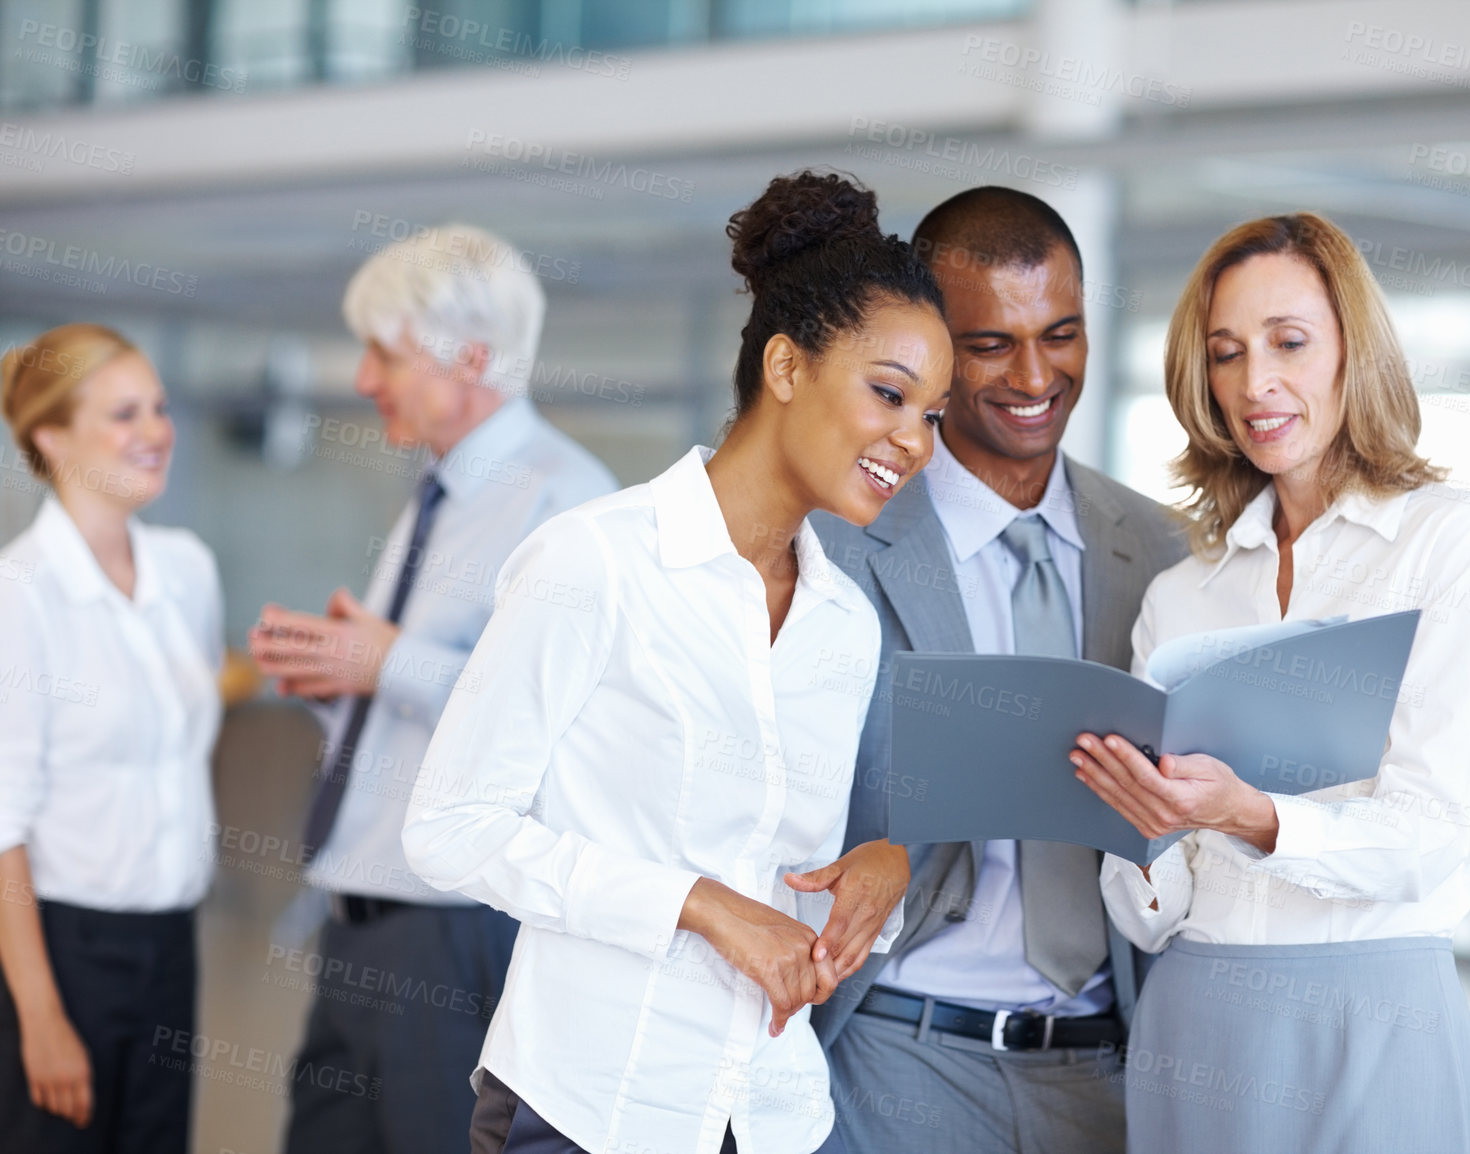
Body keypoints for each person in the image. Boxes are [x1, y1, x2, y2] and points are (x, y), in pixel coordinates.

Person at [400, 170, 950, 1154]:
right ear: (786, 366)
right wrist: (694, 903)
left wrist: (878, 875)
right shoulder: (596, 559)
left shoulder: (843, 623)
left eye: (933, 415)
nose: (914, 440)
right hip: (585, 1109)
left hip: (772, 1113)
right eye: (889, 395)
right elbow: (450, 828)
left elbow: (782, 876)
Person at [1071, 212, 1470, 1151]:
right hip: (1196, 1013)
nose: (1255, 383)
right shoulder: (1181, 595)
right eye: (1227, 353)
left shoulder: (1451, 541)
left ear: (1353, 352)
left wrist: (1249, 814)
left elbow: (1430, 834)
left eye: (1289, 343)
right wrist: (1145, 829)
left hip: (1376, 1013)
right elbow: (1151, 918)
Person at [810, 186, 1188, 1154]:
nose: (1035, 373)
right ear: (934, 347)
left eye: (1060, 333)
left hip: (1102, 1067)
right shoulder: (838, 542)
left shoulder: (1160, 549)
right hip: (895, 1056)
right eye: (990, 345)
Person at [247, 224, 617, 1154]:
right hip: (357, 919)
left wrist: (386, 664)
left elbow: (570, 713)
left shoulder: (565, 501)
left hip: (450, 935)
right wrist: (341, 676)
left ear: (475, 358)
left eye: (385, 353)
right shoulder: (436, 488)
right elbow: (441, 697)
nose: (366, 380)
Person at [0, 324, 224, 1153]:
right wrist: (43, 1017)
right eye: (125, 414)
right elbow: (2, 827)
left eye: (160, 409)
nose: (157, 433)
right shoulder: (20, 593)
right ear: (52, 438)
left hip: (173, 943)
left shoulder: (188, 568)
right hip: (63, 951)